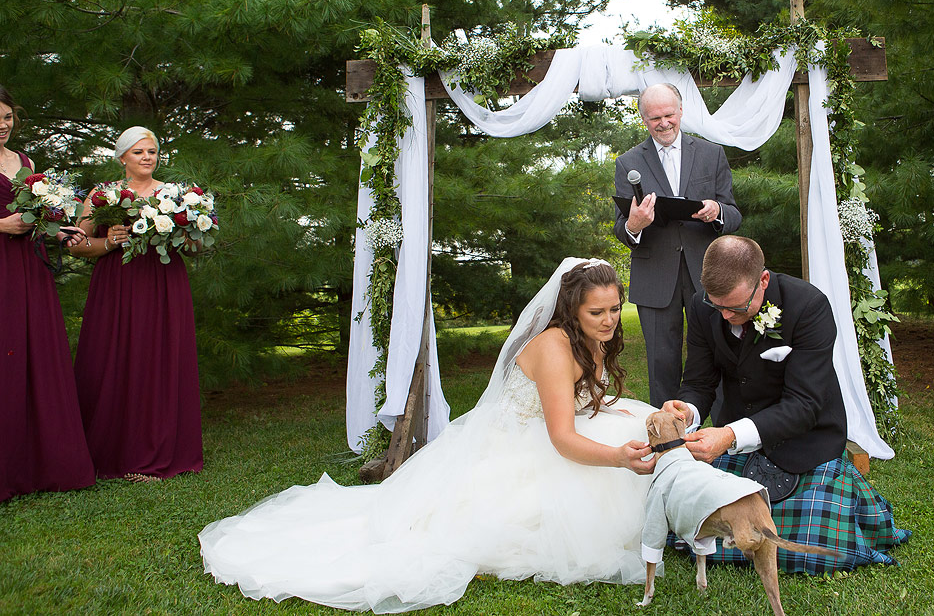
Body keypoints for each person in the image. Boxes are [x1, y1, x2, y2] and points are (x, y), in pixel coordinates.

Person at [199, 259, 658, 612]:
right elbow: (561, 437)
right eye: (596, 311)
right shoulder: (557, 348)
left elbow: (591, 403)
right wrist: (617, 456)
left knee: (638, 425)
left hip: (548, 431)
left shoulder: (591, 338)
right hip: (520, 444)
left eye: (616, 309)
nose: (609, 320)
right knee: (506, 523)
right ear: (569, 309)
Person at [662, 235, 909, 573]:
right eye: (715, 305)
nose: (723, 315)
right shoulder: (702, 306)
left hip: (805, 441)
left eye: (735, 307)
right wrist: (686, 410)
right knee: (689, 535)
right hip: (737, 444)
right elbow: (699, 383)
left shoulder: (809, 306)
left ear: (763, 280)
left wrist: (730, 435)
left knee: (814, 551)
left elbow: (805, 404)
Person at [70, 127, 202, 483]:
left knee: (157, 358)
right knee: (112, 358)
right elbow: (78, 245)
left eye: (153, 151)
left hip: (162, 281)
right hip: (116, 283)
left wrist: (184, 232)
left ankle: (155, 450)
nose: (147, 157)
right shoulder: (103, 195)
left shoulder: (176, 195)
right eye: (139, 151)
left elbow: (195, 248)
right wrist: (110, 241)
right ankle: (107, 450)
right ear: (122, 157)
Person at [614, 83, 741, 407]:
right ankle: (668, 442)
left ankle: (728, 434)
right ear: (644, 119)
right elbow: (621, 226)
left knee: (722, 353)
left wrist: (717, 211)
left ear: (681, 111)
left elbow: (734, 213)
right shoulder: (627, 162)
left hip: (708, 273)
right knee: (662, 365)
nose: (663, 122)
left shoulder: (712, 154)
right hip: (655, 276)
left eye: (669, 114)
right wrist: (635, 224)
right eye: (654, 117)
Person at [0, 85, 96, 502]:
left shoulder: (26, 163)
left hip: (28, 267)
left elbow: (39, 219)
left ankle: (40, 463)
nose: (1, 126)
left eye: (6, 117)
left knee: (34, 352)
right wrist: (1, 225)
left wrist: (60, 230)